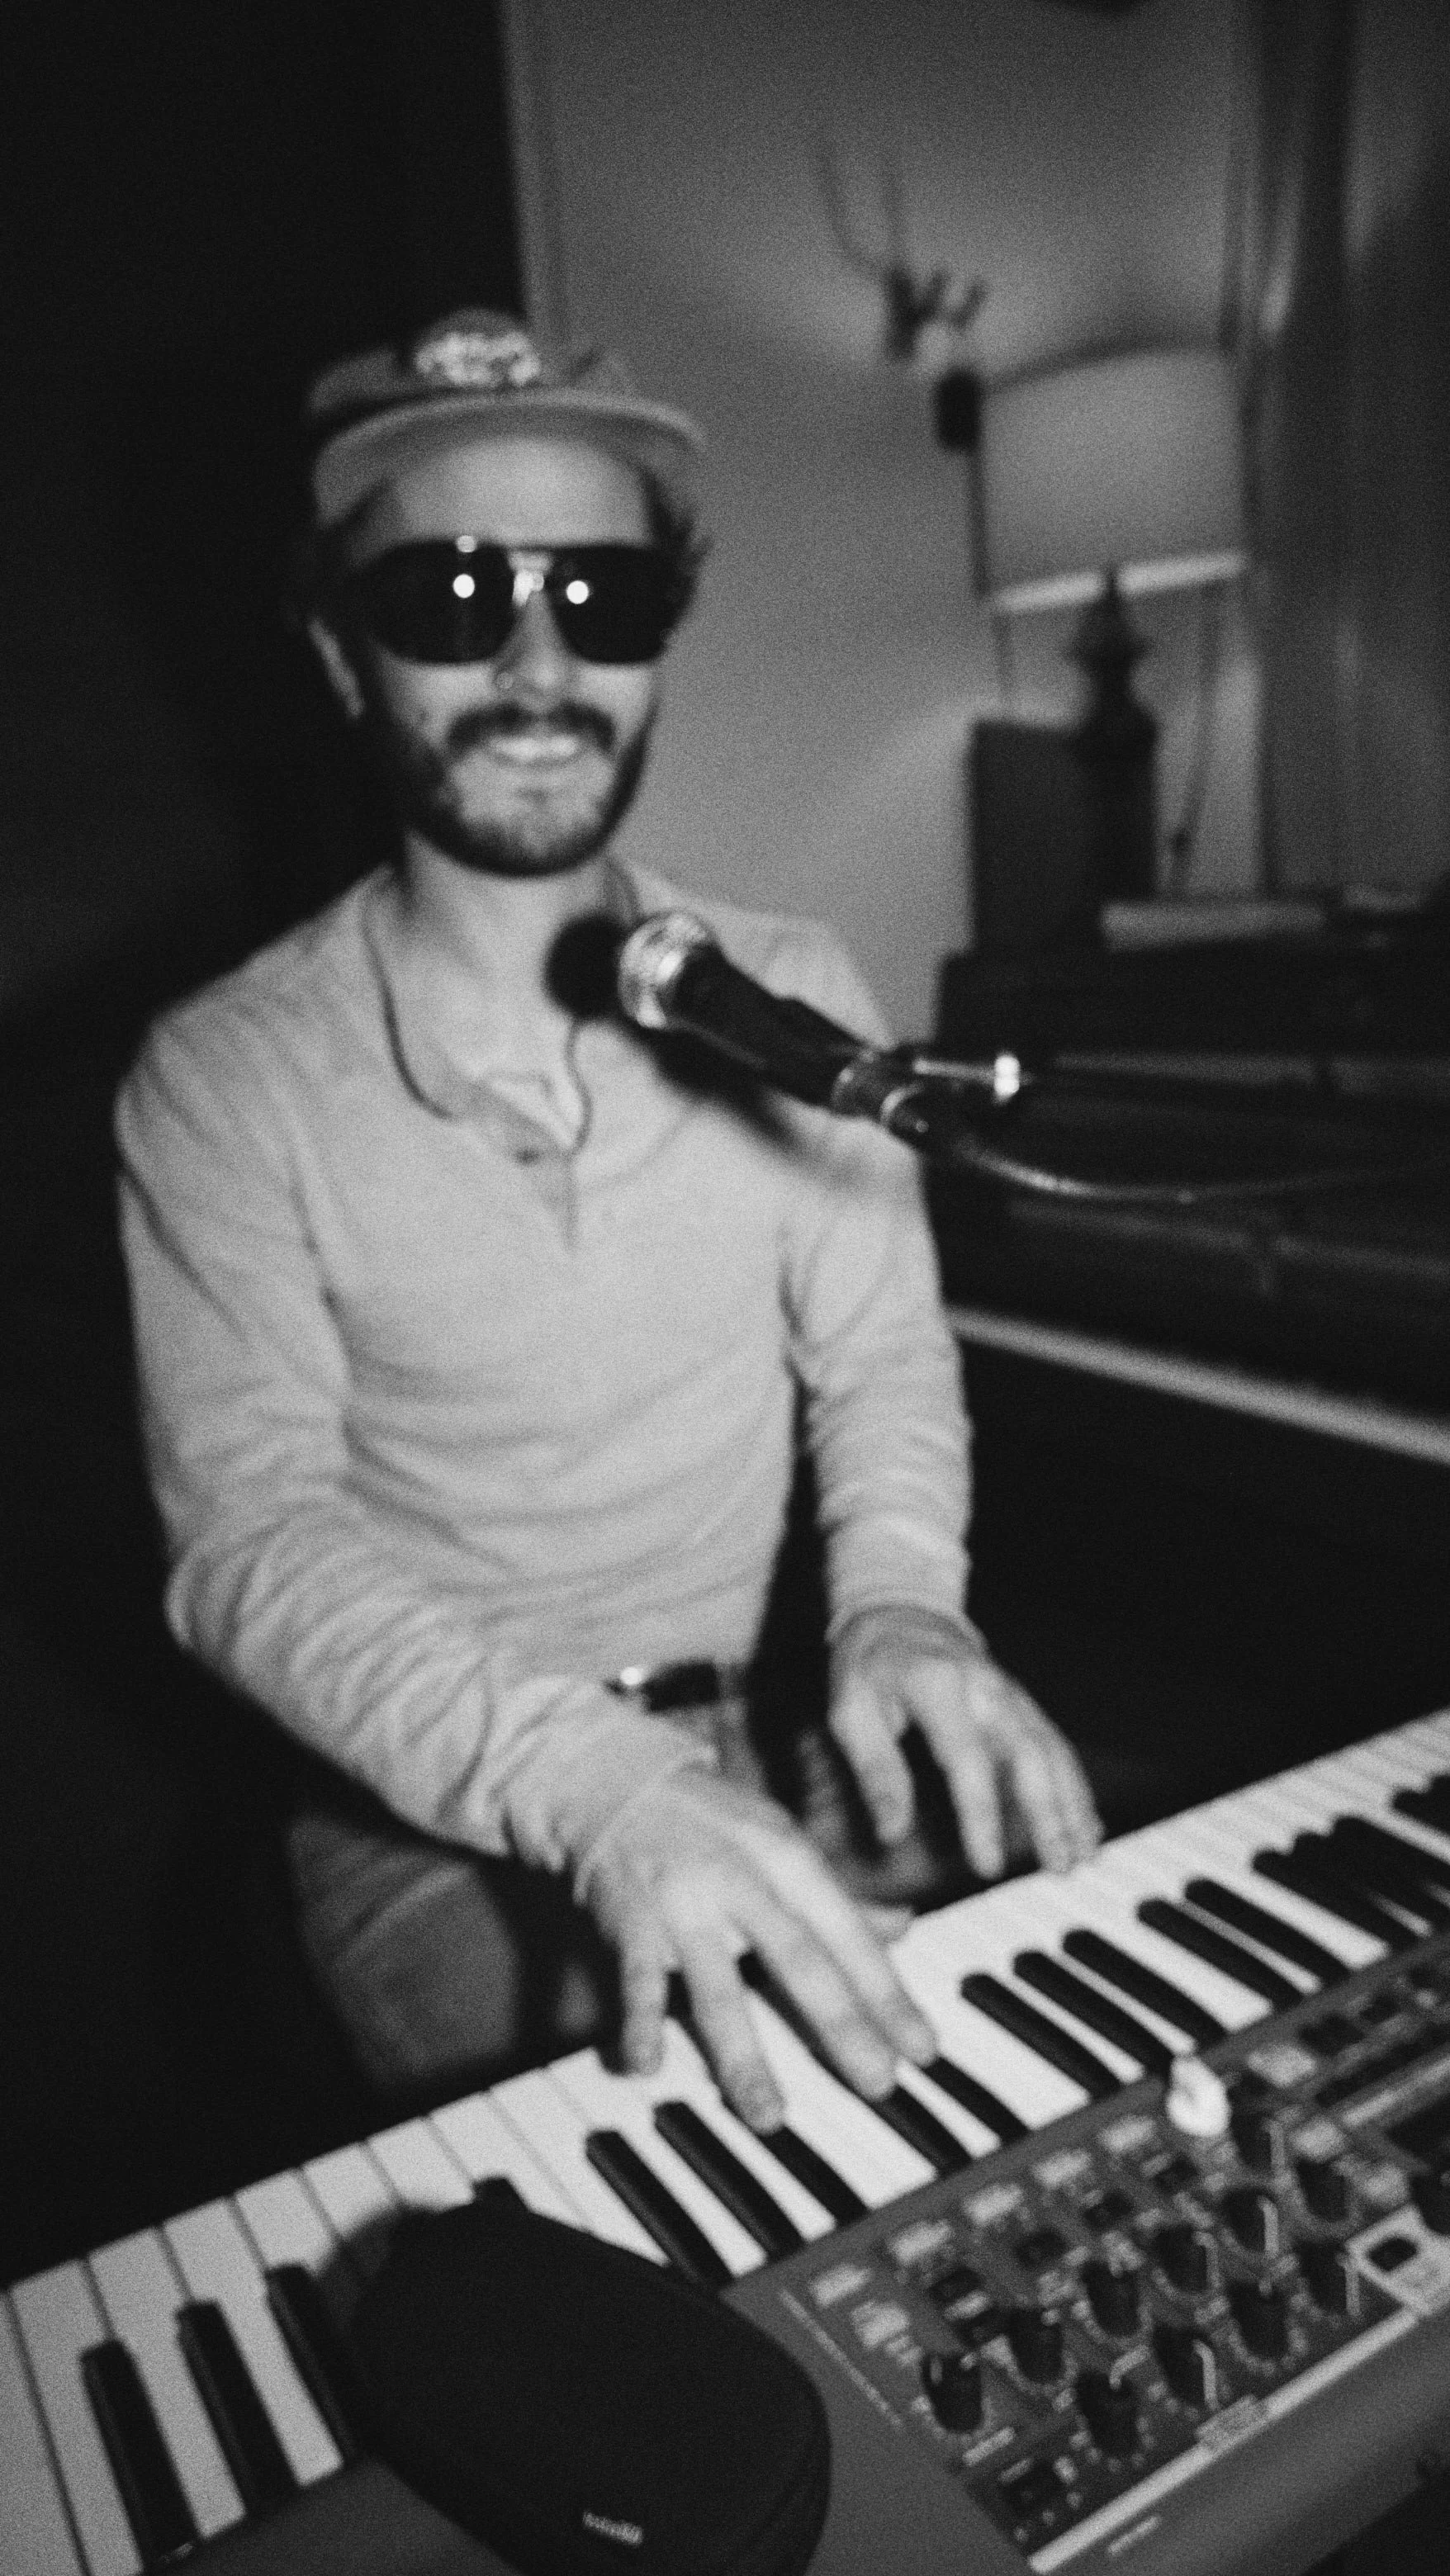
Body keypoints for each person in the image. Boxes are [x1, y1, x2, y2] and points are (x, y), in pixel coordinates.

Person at [115, 309, 1101, 2136]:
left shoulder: (793, 992)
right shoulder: (221, 1080)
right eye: (450, 591)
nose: (535, 657)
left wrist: (900, 1609)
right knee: (680, 2221)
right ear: (340, 653)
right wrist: (600, 1791)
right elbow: (243, 1541)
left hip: (774, 1728)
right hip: (434, 1803)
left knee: (1033, 2109)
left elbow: (878, 1360)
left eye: (605, 599)